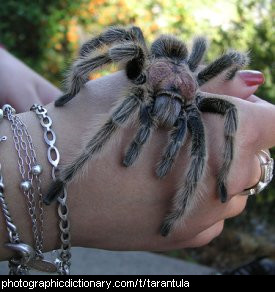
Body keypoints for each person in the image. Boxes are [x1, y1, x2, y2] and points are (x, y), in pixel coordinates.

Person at [0, 48, 272, 262]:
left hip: (181, 89)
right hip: (157, 80)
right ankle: (70, 172)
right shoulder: (142, 80)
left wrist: (222, 176)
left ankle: (178, 211)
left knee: (200, 148)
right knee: (113, 122)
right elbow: (111, 53)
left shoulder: (195, 97)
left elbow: (231, 108)